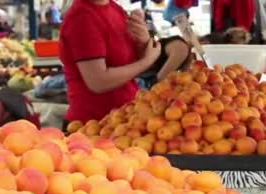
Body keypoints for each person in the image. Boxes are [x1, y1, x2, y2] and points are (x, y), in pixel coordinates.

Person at [59, 0, 191, 124]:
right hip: (93, 124)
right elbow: (98, 81)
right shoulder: (82, 17)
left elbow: (129, 63)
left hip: (124, 119)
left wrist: (143, 42)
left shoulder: (115, 9)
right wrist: (146, 60)